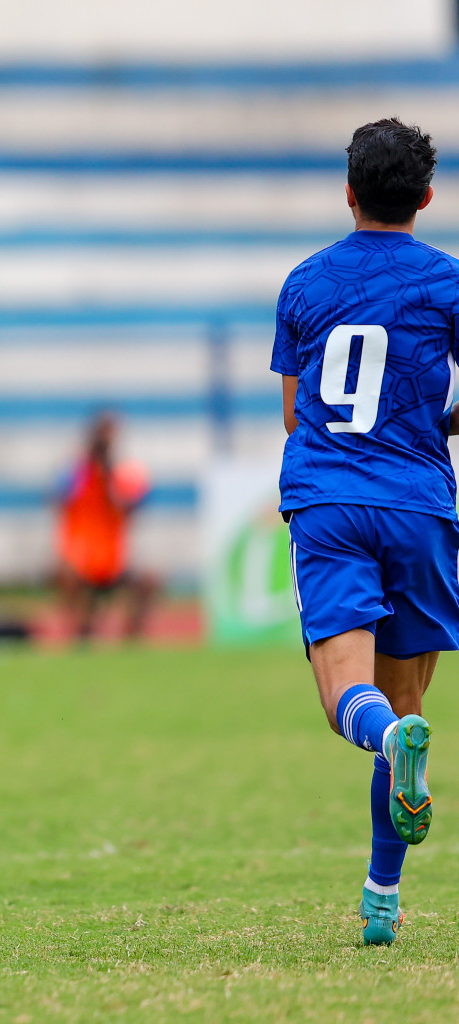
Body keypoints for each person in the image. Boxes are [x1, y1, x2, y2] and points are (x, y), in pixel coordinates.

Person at [273, 118, 459, 946]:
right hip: (420, 502)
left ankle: (387, 740)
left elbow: (292, 416)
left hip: (331, 500)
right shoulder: (448, 282)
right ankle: (381, 897)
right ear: (426, 197)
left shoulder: (305, 283)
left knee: (351, 702)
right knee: (408, 697)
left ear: (348, 192)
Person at [53, 411, 156, 640]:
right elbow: (58, 497)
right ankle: (81, 631)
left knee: (149, 579)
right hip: (82, 562)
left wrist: (108, 474)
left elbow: (131, 504)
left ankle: (131, 637)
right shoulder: (76, 472)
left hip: (113, 563)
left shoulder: (121, 473)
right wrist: (88, 469)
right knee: (65, 577)